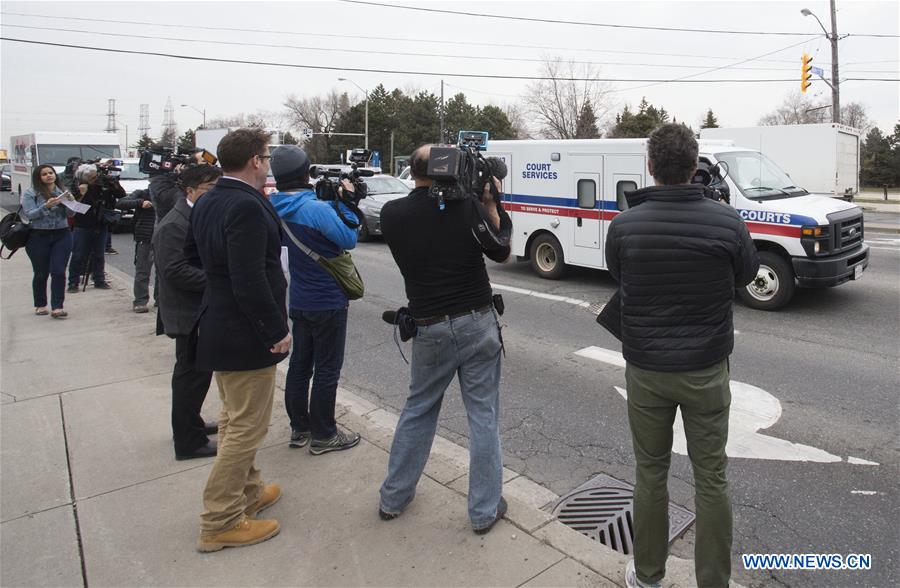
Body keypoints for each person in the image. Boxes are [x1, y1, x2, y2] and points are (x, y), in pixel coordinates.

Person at [604, 124, 759, 588]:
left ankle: (648, 574)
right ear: (695, 168)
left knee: (650, 472)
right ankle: (713, 581)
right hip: (706, 370)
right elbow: (747, 273)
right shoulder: (726, 220)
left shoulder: (624, 225)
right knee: (711, 476)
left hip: (647, 369)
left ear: (651, 168)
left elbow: (619, 274)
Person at [378, 144, 512, 535]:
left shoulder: (392, 214)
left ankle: (394, 498)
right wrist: (491, 203)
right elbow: (502, 251)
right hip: (476, 321)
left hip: (429, 326)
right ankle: (484, 512)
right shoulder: (468, 209)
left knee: (419, 409)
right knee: (482, 416)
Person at [187, 128, 291, 553]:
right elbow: (247, 277)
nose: (267, 163)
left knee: (233, 418)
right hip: (245, 331)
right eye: (265, 156)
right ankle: (220, 520)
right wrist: (276, 330)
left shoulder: (209, 198)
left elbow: (202, 260)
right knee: (248, 427)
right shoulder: (246, 206)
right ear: (254, 161)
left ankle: (247, 491)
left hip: (220, 325)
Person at [269, 145, 361, 455]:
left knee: (299, 365)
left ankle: (300, 428)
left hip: (298, 299)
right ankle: (324, 434)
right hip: (327, 300)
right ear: (307, 173)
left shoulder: (271, 206)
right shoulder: (317, 209)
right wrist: (347, 203)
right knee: (326, 369)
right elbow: (349, 238)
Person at [152, 164, 223, 460]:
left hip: (199, 311)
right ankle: (188, 441)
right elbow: (174, 271)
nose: (213, 195)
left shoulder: (196, 215)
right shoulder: (174, 224)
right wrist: (218, 279)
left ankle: (191, 423)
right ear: (190, 190)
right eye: (208, 190)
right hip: (187, 313)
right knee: (190, 377)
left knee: (198, 375)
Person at [21, 165, 74, 319]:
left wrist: (70, 202)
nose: (49, 176)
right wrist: (46, 206)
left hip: (62, 234)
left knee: (58, 271)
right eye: (44, 174)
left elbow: (72, 213)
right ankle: (40, 304)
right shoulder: (31, 193)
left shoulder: (62, 192)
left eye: (51, 173)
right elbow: (30, 215)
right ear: (38, 177)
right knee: (41, 272)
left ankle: (57, 307)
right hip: (38, 236)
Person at [66, 163, 124, 292]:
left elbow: (121, 194)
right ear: (83, 178)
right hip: (83, 224)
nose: (95, 180)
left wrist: (114, 183)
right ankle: (73, 282)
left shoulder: (103, 185)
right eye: (91, 178)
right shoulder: (77, 186)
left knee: (99, 254)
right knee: (78, 254)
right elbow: (71, 207)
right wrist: (81, 193)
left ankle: (99, 279)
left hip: (101, 223)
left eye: (95, 176)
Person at [115, 188, 156, 312]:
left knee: (164, 272)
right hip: (145, 236)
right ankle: (140, 301)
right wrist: (140, 203)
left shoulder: (171, 193)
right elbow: (121, 203)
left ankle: (161, 299)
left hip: (164, 236)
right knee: (142, 270)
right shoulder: (143, 193)